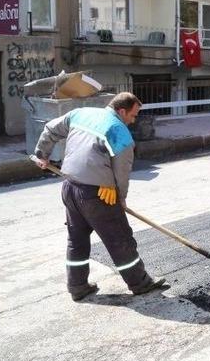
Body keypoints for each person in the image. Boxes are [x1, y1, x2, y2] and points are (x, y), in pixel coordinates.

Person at [32, 92, 167, 301]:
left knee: (76, 239)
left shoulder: (81, 113)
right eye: (133, 115)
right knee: (120, 239)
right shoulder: (119, 131)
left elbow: (50, 128)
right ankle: (140, 283)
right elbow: (122, 171)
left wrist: (42, 154)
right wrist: (121, 198)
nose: (133, 120)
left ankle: (77, 286)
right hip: (97, 195)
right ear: (122, 111)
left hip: (70, 187)